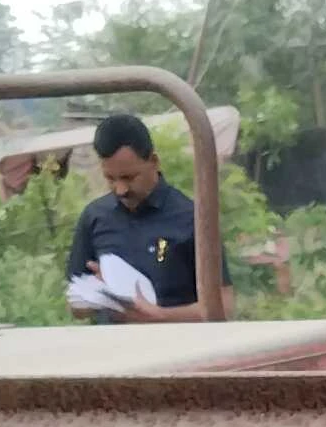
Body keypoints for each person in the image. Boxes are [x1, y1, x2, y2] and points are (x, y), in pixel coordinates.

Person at [65, 110, 226, 323]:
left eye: (129, 177)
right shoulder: (94, 217)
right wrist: (101, 295)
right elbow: (75, 307)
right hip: (116, 350)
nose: (120, 189)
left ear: (154, 161)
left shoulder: (193, 219)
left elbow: (224, 305)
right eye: (110, 178)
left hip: (179, 348)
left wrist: (158, 317)